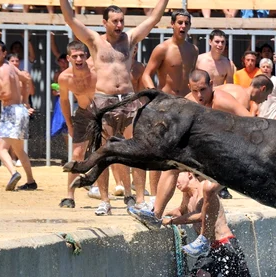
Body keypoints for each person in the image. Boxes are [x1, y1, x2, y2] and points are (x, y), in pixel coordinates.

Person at [60, 0, 167, 215]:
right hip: (104, 100)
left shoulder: (130, 39)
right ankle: (105, 201)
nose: (119, 25)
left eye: (121, 21)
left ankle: (139, 199)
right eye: (115, 21)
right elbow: (70, 19)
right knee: (103, 152)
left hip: (128, 100)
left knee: (136, 151)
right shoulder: (94, 42)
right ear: (105, 22)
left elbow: (154, 18)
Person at [129, 70, 251, 258]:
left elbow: (250, 120)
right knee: (172, 166)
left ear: (212, 84)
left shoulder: (222, 101)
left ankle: (204, 239)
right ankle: (156, 214)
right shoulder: (188, 103)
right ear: (189, 88)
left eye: (203, 89)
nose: (200, 96)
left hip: (231, 155)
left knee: (209, 190)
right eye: (195, 91)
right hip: (206, 156)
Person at [141, 10, 199, 212]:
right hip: (165, 106)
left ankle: (185, 201)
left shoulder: (193, 50)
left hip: (186, 107)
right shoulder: (162, 49)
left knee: (185, 155)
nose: (183, 26)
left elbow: (193, 79)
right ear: (172, 25)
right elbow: (146, 75)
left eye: (186, 23)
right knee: (158, 152)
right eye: (180, 23)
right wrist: (155, 97)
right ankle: (154, 198)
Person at [167, 171, 253, 277]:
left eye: (177, 176)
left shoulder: (204, 187)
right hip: (209, 249)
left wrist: (172, 221)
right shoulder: (187, 195)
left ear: (189, 174)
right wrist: (159, 215)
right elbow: (180, 210)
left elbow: (202, 215)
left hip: (224, 244)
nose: (175, 183)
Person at [0, 40, 37, 191]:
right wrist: (25, 102)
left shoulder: (3, 69)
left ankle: (14, 173)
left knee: (1, 150)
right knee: (20, 150)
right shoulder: (11, 67)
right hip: (20, 109)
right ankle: (31, 181)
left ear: (4, 53)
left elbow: (7, 93)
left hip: (11, 111)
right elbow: (27, 79)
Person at [58, 40, 97, 208]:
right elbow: (65, 102)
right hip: (82, 114)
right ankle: (69, 196)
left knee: (109, 154)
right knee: (76, 155)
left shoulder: (96, 70)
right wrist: (70, 125)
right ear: (69, 58)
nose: (79, 59)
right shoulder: (65, 78)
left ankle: (125, 194)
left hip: (101, 112)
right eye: (75, 56)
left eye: (82, 55)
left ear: (87, 56)